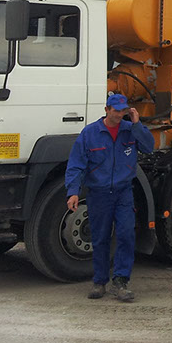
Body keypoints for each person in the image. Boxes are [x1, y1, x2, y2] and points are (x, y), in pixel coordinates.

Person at [66, 93, 155, 302]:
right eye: (116, 111)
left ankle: (121, 282)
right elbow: (76, 164)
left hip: (123, 192)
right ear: (106, 110)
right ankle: (99, 282)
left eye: (123, 111)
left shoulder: (130, 130)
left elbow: (148, 147)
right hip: (99, 194)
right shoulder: (90, 134)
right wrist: (73, 192)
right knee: (100, 238)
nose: (119, 115)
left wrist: (137, 124)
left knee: (126, 234)